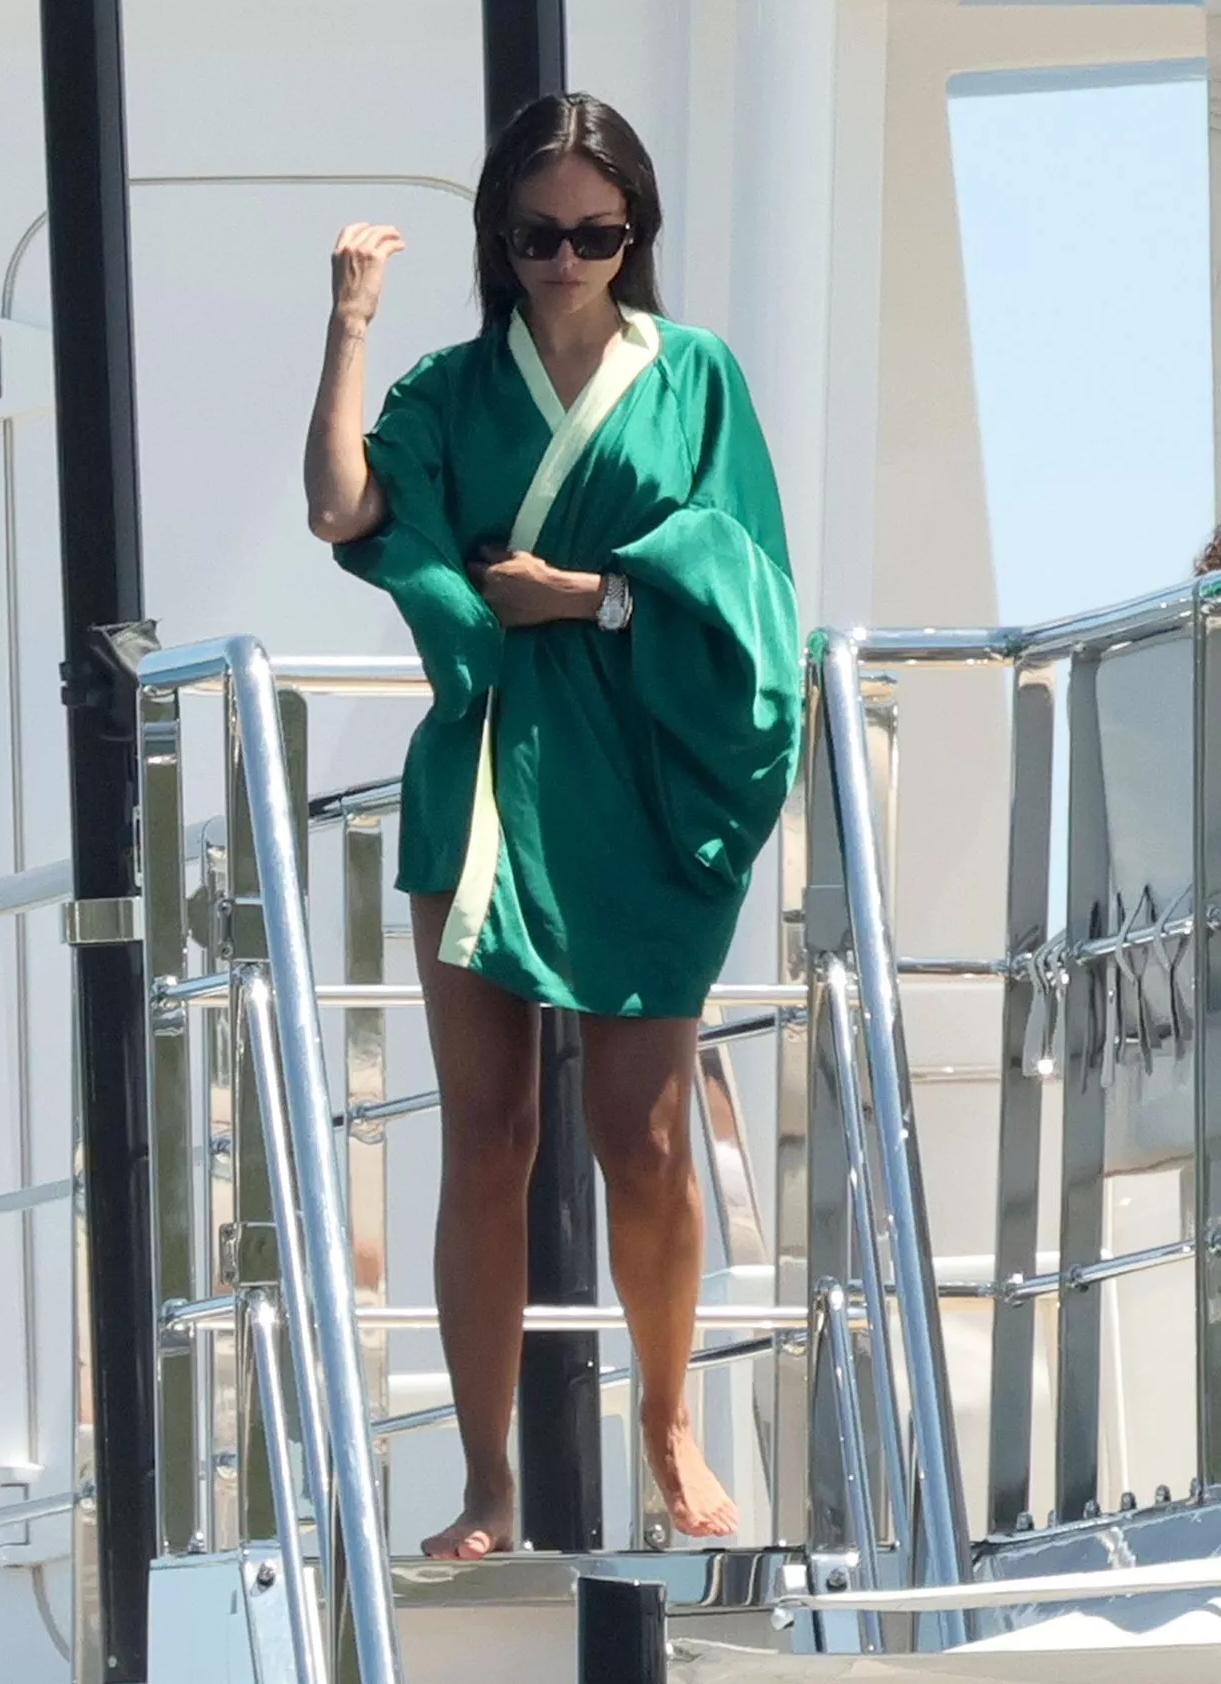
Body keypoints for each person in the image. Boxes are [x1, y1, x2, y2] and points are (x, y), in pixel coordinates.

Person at [304, 92, 802, 1560]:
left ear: (635, 234)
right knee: (490, 1133)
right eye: (537, 235)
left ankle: (669, 1423)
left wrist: (585, 595)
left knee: (640, 1135)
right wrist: (349, 323)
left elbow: (752, 586)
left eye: (597, 233)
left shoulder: (695, 376)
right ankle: (486, 1483)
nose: (566, 260)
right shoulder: (453, 388)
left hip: (644, 776)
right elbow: (340, 507)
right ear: (499, 239)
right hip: (485, 772)